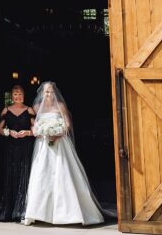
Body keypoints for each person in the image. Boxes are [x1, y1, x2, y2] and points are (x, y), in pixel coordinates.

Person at [23, 81, 104, 226]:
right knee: (42, 175)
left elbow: (67, 123)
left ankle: (68, 213)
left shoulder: (60, 106)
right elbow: (34, 126)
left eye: (51, 92)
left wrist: (58, 132)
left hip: (60, 144)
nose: (49, 94)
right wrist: (42, 132)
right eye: (46, 92)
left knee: (63, 174)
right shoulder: (36, 107)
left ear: (55, 93)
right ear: (42, 94)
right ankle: (38, 213)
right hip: (43, 146)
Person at [0, 83, 35, 222]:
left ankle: (22, 210)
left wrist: (27, 133)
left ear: (24, 96)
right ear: (12, 96)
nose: (18, 97)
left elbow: (35, 129)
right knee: (11, 175)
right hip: (11, 147)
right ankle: (10, 210)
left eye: (20, 94)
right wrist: (9, 132)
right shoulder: (6, 110)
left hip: (25, 146)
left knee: (24, 174)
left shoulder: (29, 110)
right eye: (15, 94)